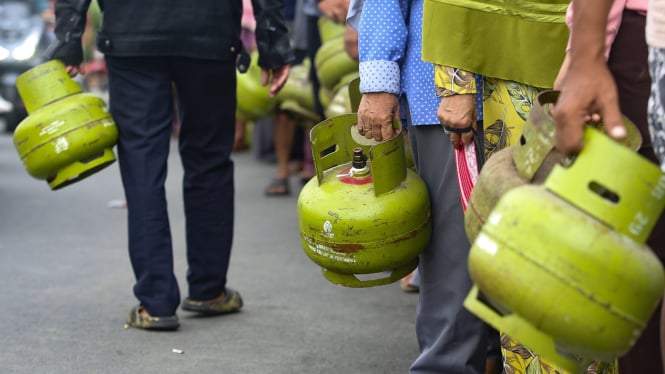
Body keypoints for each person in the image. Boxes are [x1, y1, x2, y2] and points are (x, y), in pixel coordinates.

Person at [45, 0, 294, 330]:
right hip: (209, 31)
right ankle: (208, 289)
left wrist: (68, 39)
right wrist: (273, 44)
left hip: (132, 34)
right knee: (209, 160)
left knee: (142, 163)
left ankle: (156, 302)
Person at [348, 0, 497, 372]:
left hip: (528, 86)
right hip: (451, 93)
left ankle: (495, 355)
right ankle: (444, 365)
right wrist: (380, 85)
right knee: (455, 250)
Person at [553, 1, 665, 372]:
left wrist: (583, 55)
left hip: (643, 48)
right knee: (642, 257)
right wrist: (583, 56)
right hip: (646, 49)